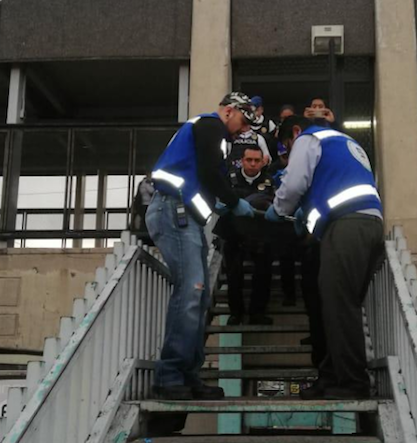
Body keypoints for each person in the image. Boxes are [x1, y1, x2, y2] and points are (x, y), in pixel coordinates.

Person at [146, 92, 257, 400]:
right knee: (192, 291)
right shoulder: (212, 126)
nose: (242, 129)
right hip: (174, 211)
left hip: (183, 215)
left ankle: (186, 374)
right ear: (229, 111)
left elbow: (203, 177)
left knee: (199, 295)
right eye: (243, 120)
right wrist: (235, 202)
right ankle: (170, 376)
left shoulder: (208, 130)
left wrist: (221, 201)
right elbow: (209, 172)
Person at [265, 115, 384, 400]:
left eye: (286, 147)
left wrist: (279, 209)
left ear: (295, 132)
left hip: (346, 227)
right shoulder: (347, 143)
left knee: (339, 306)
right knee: (336, 305)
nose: (286, 154)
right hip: (368, 225)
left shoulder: (310, 138)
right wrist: (306, 212)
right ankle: (331, 375)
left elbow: (294, 185)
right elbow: (332, 184)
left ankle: (353, 383)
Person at [221, 145, 276, 325]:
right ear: (242, 161)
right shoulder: (229, 179)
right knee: (233, 274)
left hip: (260, 234)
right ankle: (236, 313)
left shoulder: (270, 181)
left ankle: (257, 313)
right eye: (249, 160)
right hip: (234, 232)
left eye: (257, 160)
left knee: (263, 274)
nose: (252, 164)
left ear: (262, 162)